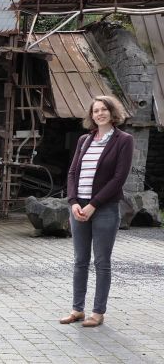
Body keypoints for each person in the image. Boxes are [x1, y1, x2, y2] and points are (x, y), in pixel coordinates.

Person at [59, 96, 133, 328]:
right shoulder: (84, 140)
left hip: (104, 209)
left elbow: (119, 178)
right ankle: (77, 309)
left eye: (104, 110)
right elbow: (72, 173)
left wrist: (93, 205)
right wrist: (73, 202)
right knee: (80, 261)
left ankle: (98, 312)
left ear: (113, 113)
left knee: (102, 262)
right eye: (96, 111)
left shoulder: (124, 140)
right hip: (78, 207)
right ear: (91, 115)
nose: (99, 114)